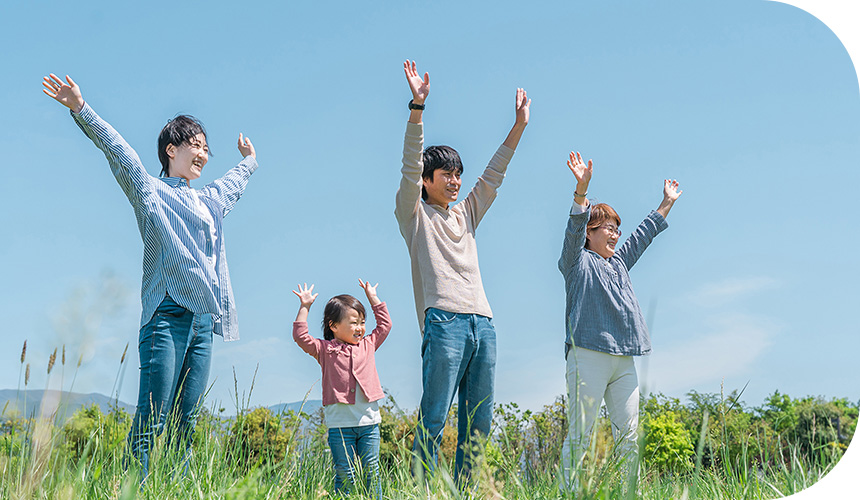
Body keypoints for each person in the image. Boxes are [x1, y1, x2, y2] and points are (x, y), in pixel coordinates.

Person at [42, 74, 259, 478]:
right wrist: (81, 109)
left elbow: (233, 184)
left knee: (185, 426)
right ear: (170, 150)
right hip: (167, 316)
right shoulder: (150, 192)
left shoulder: (209, 200)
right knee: (151, 422)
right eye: (195, 145)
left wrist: (249, 161)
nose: (203, 154)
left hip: (202, 323)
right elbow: (120, 154)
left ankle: (176, 488)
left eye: (207, 149)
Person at [395, 60, 530, 483]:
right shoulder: (413, 215)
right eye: (446, 175)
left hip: (483, 323)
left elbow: (494, 175)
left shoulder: (466, 214)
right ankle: (422, 489)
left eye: (458, 175)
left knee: (480, 423)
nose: (455, 181)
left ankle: (468, 491)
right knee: (434, 416)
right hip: (444, 322)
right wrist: (417, 108)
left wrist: (519, 127)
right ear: (427, 180)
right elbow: (409, 167)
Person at [558, 151, 682, 489]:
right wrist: (581, 192)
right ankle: (568, 495)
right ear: (590, 232)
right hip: (588, 355)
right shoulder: (577, 261)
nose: (615, 235)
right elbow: (572, 231)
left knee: (629, 436)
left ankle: (630, 494)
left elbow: (643, 235)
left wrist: (665, 202)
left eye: (616, 229)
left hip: (623, 358)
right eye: (608, 229)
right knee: (581, 435)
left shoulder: (619, 263)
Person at [292, 281, 392, 499]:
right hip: (339, 427)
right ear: (333, 326)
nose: (360, 328)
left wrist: (373, 297)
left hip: (369, 424)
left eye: (362, 322)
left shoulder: (368, 344)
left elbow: (385, 325)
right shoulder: (325, 350)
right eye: (354, 322)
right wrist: (305, 307)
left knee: (371, 474)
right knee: (344, 475)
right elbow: (301, 337)